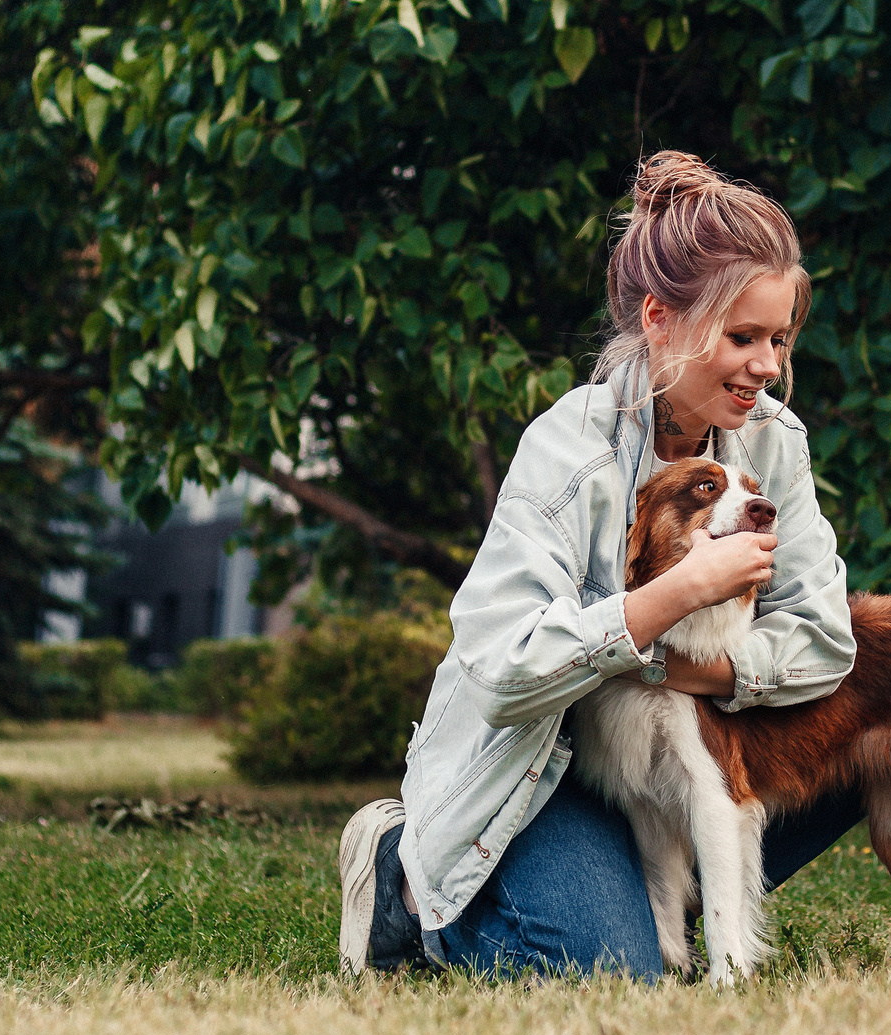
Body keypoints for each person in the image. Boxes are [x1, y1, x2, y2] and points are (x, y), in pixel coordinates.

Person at [337, 152, 861, 979]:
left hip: (678, 755)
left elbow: (826, 641)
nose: (766, 366)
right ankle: (407, 884)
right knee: (610, 971)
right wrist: (674, 599)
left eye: (779, 339)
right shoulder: (567, 451)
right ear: (659, 317)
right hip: (544, 769)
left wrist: (690, 669)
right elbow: (504, 673)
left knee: (856, 745)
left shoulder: (773, 442)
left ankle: (670, 898)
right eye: (742, 337)